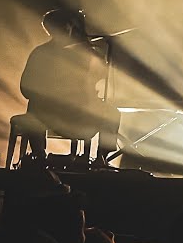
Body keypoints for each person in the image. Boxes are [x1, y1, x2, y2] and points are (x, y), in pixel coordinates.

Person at [18, 9, 121, 164]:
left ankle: (100, 159)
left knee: (112, 113)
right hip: (52, 113)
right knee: (33, 108)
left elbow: (99, 77)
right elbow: (26, 88)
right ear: (68, 27)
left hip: (77, 111)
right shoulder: (42, 53)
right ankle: (40, 157)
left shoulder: (82, 53)